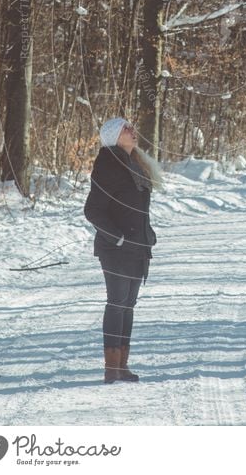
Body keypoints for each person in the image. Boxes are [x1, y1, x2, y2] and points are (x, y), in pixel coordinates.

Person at [84, 117, 162, 383]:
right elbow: (92, 210)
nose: (133, 131)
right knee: (117, 304)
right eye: (126, 129)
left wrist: (146, 236)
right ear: (114, 136)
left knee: (128, 306)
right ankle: (110, 368)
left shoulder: (135, 164)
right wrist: (116, 238)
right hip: (115, 249)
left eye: (131, 126)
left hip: (137, 247)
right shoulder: (108, 165)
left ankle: (121, 366)